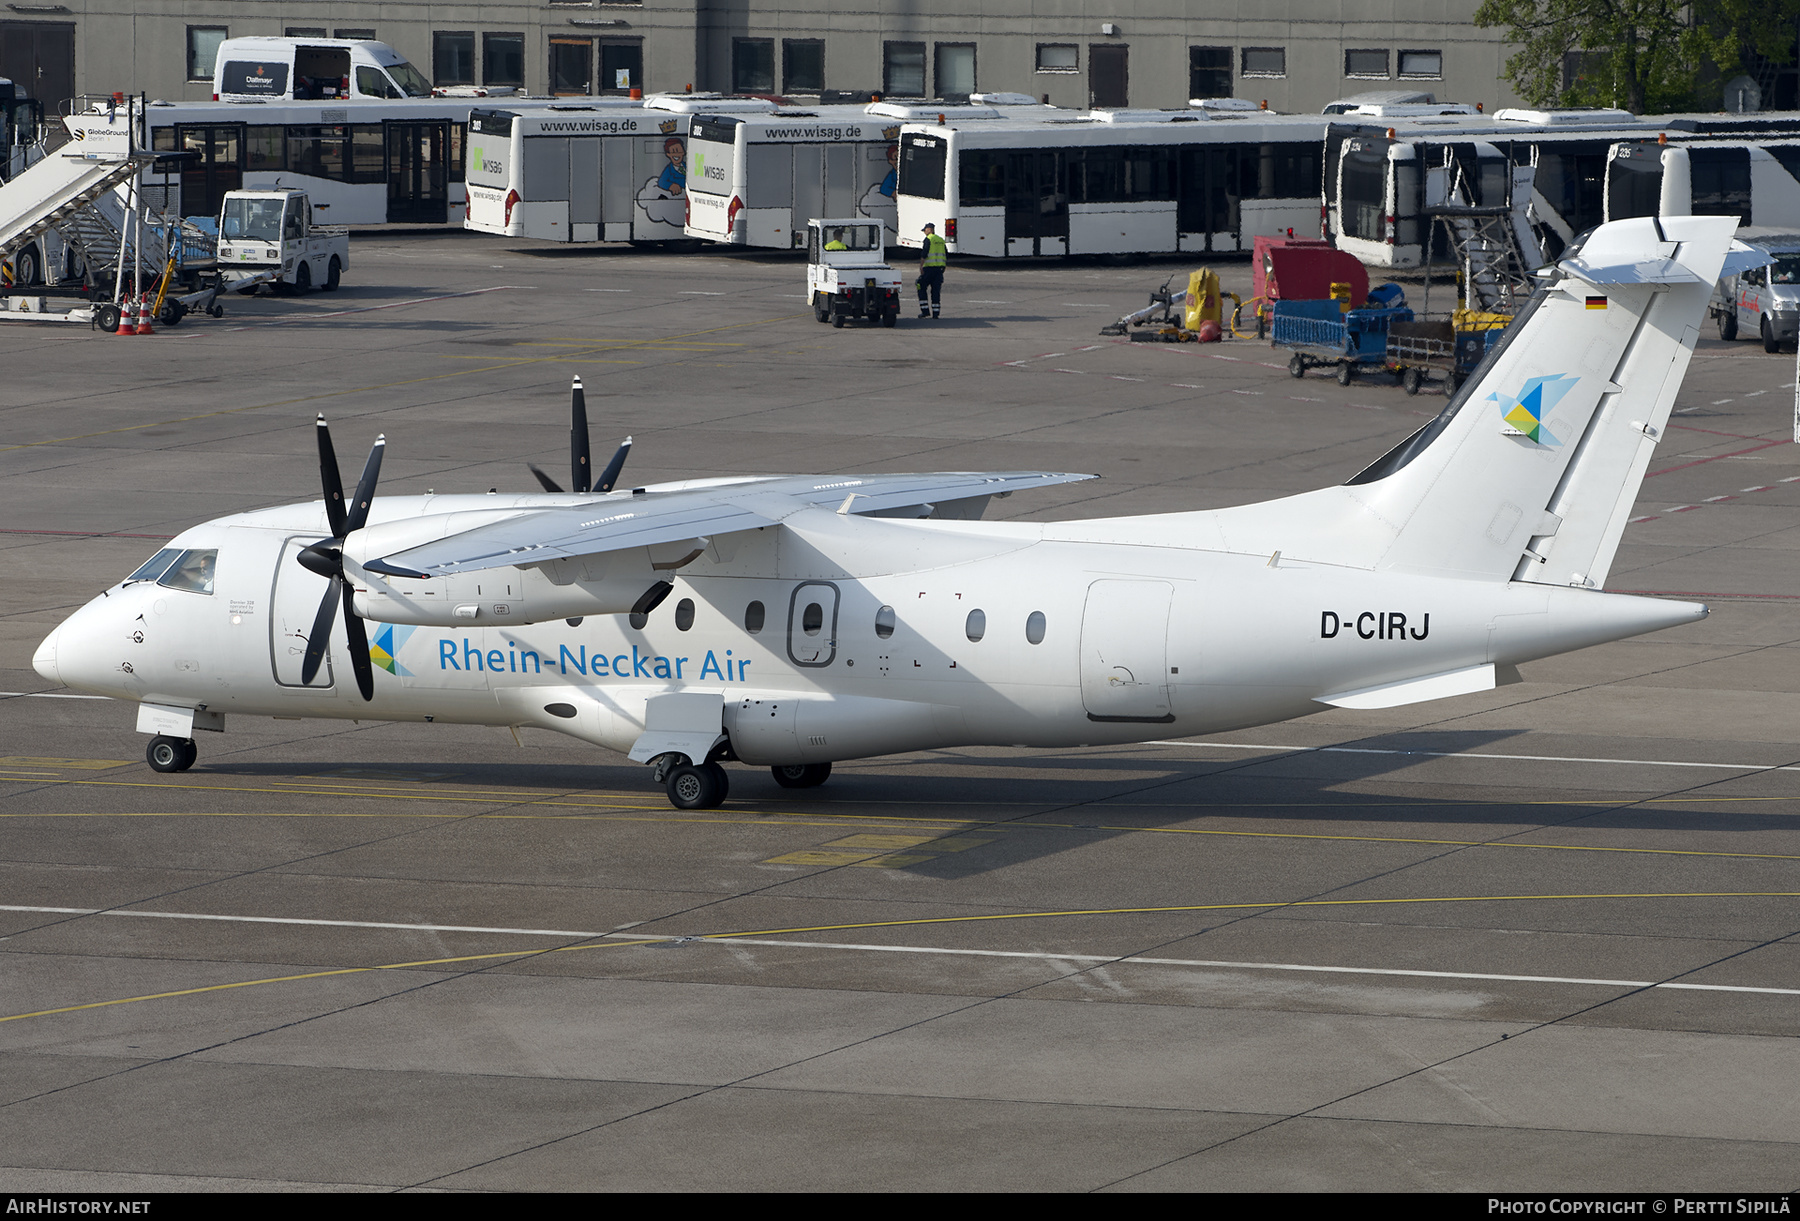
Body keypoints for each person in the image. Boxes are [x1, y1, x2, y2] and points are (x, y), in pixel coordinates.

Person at [917, 221, 948, 319]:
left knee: (920, 286)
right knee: (936, 292)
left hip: (928, 269)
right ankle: (936, 313)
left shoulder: (928, 239)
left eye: (925, 230)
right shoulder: (941, 240)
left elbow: (924, 253)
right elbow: (946, 254)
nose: (924, 233)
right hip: (939, 270)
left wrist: (921, 266)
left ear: (929, 230)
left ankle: (925, 311)